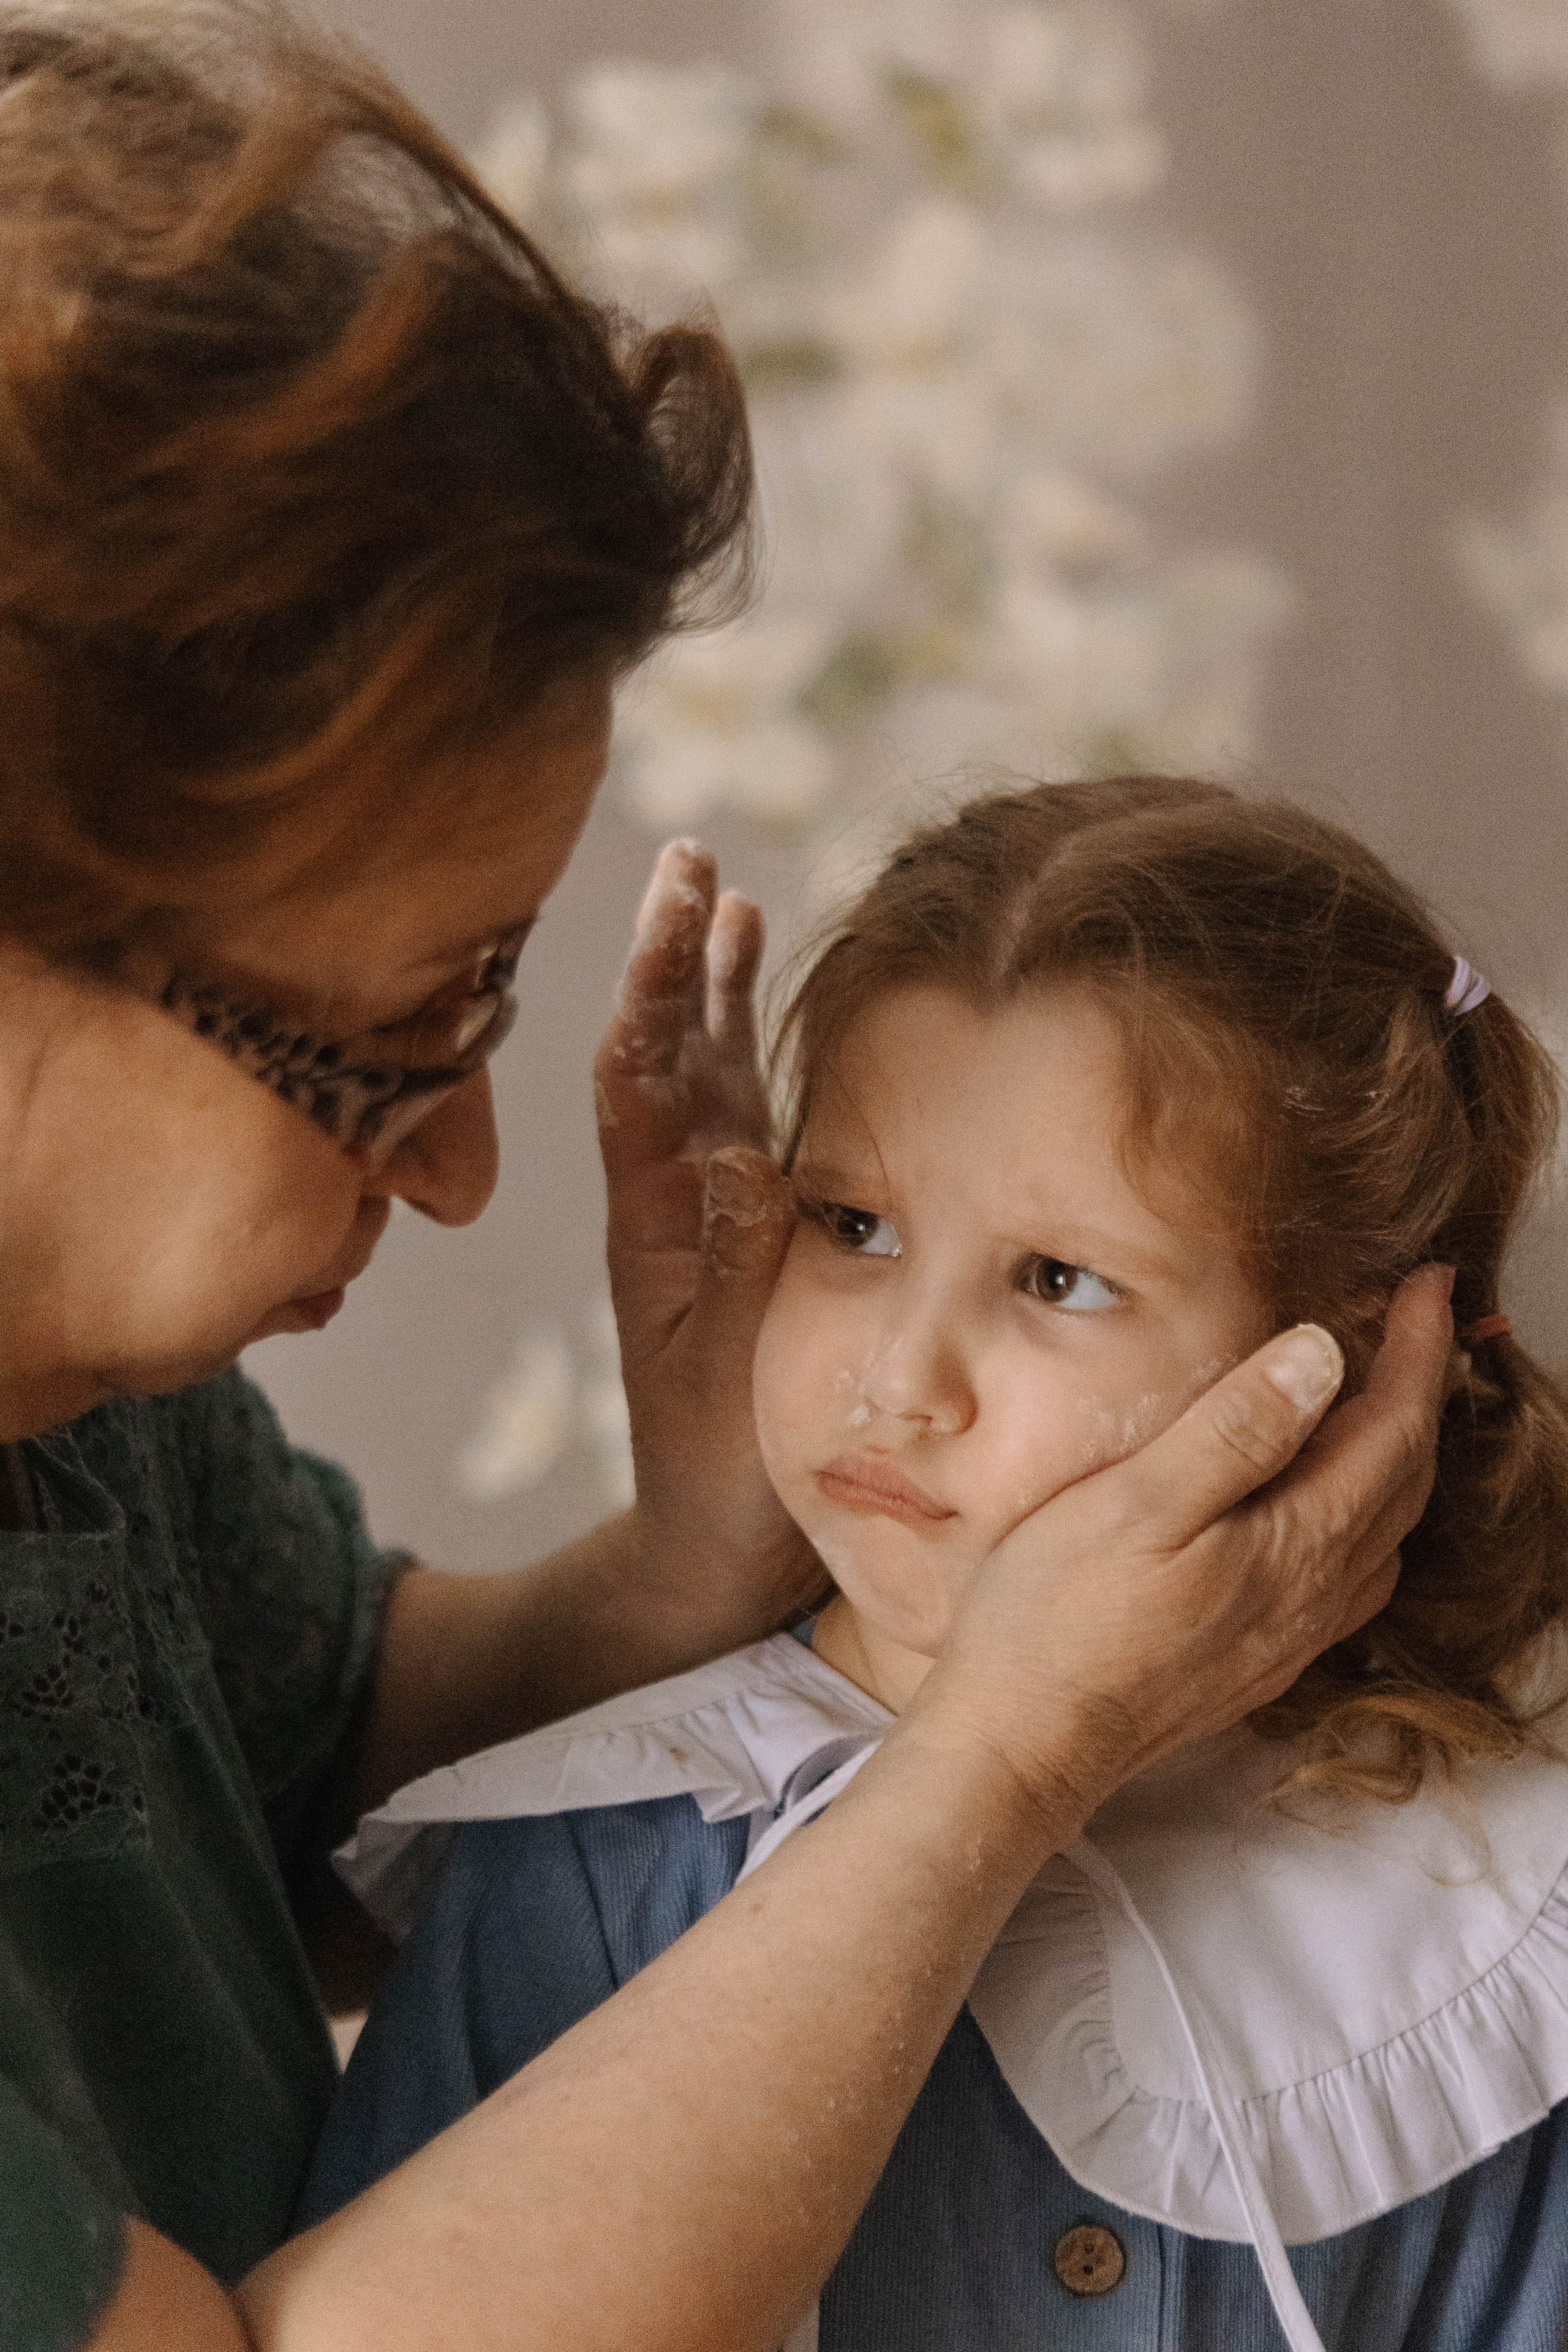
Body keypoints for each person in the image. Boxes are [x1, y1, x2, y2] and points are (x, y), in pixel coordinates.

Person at [0, 7, 1452, 2349]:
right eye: (392, 1041)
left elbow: (343, 1763)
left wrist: (706, 1550)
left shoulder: (76, 1421)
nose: (469, 1171)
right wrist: (999, 1759)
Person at [302, 778, 1568, 2352]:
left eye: (1057, 1278)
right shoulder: (589, 1867)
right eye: (857, 1226)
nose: (902, 1380)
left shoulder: (1492, 1895)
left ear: (1364, 1361)